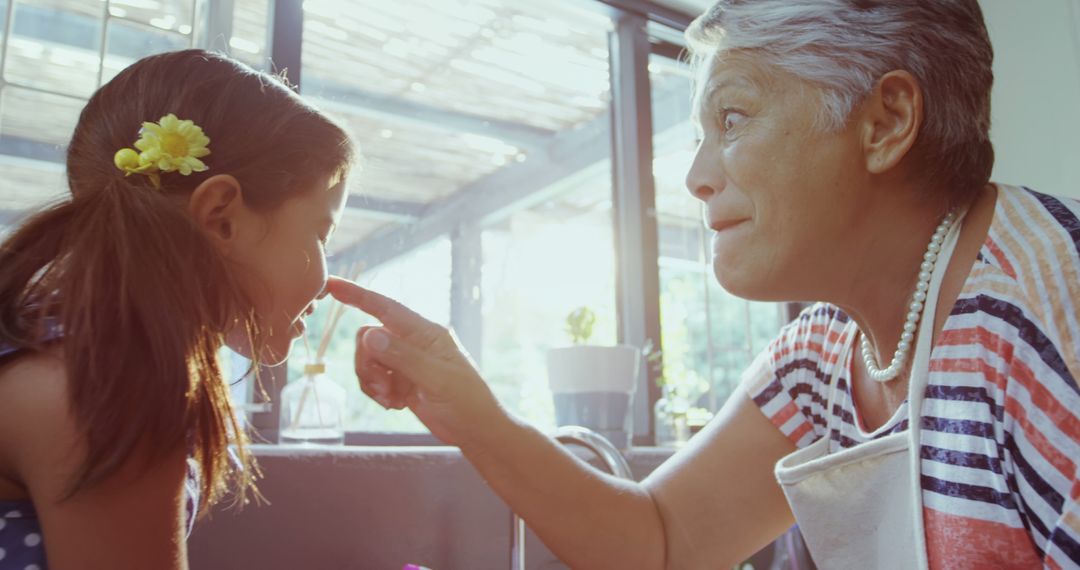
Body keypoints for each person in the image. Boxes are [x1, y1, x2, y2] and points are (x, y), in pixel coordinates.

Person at [327, 1, 1080, 568]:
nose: (694, 177)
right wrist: (469, 408)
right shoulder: (822, 355)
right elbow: (660, 539)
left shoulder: (1052, 306)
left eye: (733, 118)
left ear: (884, 122)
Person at [0, 49, 353, 568]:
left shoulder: (56, 342)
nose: (327, 282)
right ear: (221, 217)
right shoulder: (101, 390)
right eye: (322, 233)